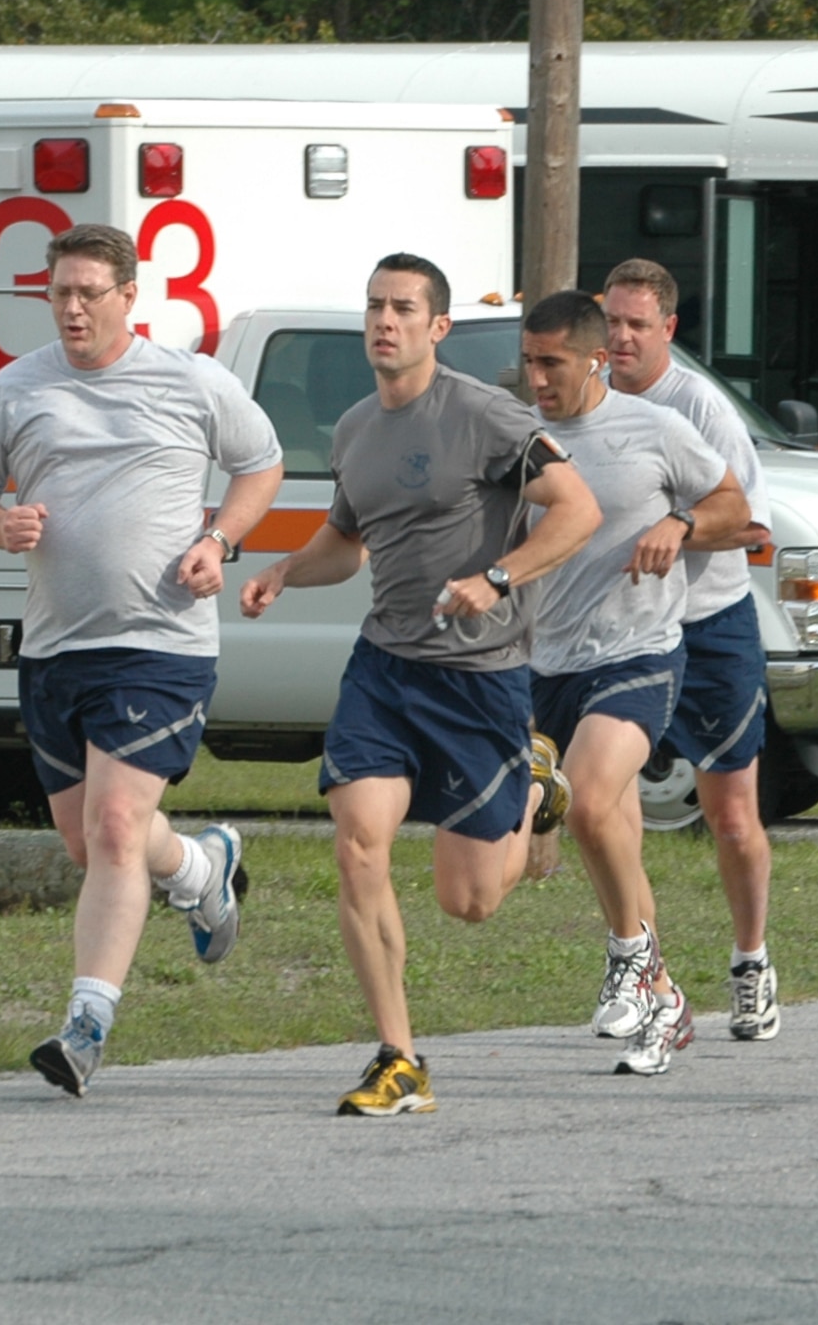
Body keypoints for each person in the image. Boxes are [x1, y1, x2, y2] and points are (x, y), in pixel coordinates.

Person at [240, 254, 600, 1116]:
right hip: (386, 669)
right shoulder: (356, 427)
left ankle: (534, 783)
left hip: (480, 680)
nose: (384, 321)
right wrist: (286, 570)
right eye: (375, 306)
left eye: (404, 308)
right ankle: (398, 1058)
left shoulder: (485, 415)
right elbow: (347, 542)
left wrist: (501, 579)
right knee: (358, 840)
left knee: (468, 901)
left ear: (438, 327)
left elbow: (579, 512)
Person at [0, 223, 284, 1097]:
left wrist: (220, 540)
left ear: (131, 296)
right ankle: (203, 870)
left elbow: (261, 463)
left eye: (90, 291)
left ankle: (86, 1024)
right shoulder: (16, 390)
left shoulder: (192, 381)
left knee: (116, 827)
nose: (73, 307)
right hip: (57, 648)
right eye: (59, 293)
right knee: (90, 843)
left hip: (161, 643)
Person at [522, 289, 750, 1076]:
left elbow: (735, 508)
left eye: (550, 362)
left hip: (641, 651)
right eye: (528, 361)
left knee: (586, 794)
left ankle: (626, 957)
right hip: (547, 661)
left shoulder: (653, 428)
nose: (537, 378)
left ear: (592, 358)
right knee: (602, 829)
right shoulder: (519, 437)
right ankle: (665, 999)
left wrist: (680, 524)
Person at [601, 259, 782, 1042]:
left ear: (668, 330)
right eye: (611, 322)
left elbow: (752, 526)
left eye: (638, 325)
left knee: (731, 815)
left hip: (710, 627)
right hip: (628, 632)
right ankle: (651, 979)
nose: (621, 338)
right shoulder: (587, 404)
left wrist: (680, 525)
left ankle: (751, 962)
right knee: (610, 806)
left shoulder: (698, 407)